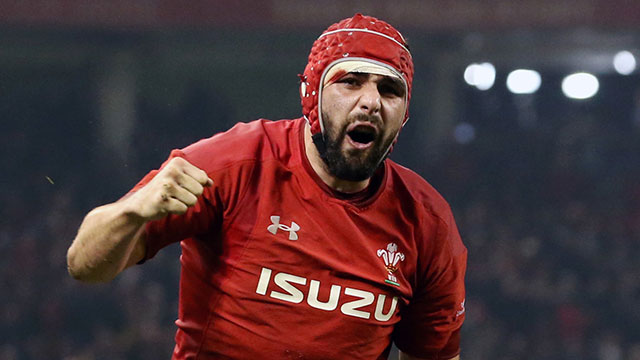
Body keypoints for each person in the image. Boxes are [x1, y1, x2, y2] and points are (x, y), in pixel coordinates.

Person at [67, 14, 467, 360]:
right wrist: (133, 210)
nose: (370, 102)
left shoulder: (427, 223)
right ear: (312, 94)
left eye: (389, 90)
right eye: (351, 82)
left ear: (404, 114)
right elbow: (84, 266)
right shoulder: (235, 164)